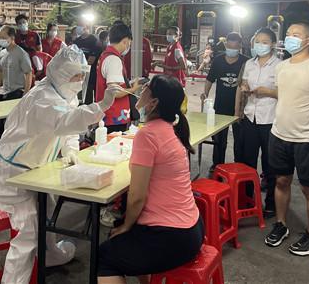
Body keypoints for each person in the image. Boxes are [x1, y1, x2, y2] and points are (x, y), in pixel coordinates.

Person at [0, 45, 120, 284]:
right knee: (28, 232)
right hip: (11, 174)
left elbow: (68, 129)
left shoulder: (64, 93)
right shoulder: (42, 98)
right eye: (75, 76)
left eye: (82, 75)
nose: (79, 81)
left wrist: (71, 150)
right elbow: (65, 120)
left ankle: (50, 255)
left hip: (35, 170)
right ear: (61, 73)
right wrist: (101, 106)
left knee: (47, 213)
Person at [98, 74, 204, 284]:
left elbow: (137, 197)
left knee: (104, 257)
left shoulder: (148, 135)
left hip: (170, 236)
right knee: (126, 233)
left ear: (154, 102)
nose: (141, 92)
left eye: (146, 89)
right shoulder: (173, 129)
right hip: (192, 229)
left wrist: (126, 226)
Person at [265, 22, 309, 256]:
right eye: (288, 34)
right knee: (281, 181)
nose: (290, 38)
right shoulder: (281, 67)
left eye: (296, 35)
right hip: (278, 135)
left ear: (308, 41)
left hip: (305, 140)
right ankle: (281, 224)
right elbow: (284, 96)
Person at [234, 28, 281, 218]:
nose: (260, 45)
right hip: (250, 117)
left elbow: (285, 92)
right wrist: (244, 88)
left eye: (265, 42)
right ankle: (248, 200)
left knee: (270, 164)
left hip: (270, 119)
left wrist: (267, 92)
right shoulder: (249, 64)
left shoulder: (280, 66)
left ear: (273, 44)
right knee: (247, 162)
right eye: (257, 41)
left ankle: (271, 203)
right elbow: (243, 84)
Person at [201, 32, 248, 172]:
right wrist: (205, 93)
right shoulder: (218, 60)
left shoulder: (246, 62)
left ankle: (239, 165)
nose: (231, 49)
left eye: (235, 47)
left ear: (240, 46)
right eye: (229, 46)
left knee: (240, 140)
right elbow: (210, 79)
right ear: (226, 44)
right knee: (219, 139)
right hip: (220, 105)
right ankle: (217, 164)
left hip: (240, 107)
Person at [95, 23, 141, 132]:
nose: (128, 47)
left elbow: (112, 83)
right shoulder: (114, 60)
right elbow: (114, 92)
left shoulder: (105, 55)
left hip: (108, 113)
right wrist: (133, 89)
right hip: (114, 116)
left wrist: (128, 83)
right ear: (125, 40)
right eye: (129, 43)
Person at [0, 26, 32, 103]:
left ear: (12, 38)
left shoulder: (21, 53)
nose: (0, 39)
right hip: (4, 91)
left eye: (4, 37)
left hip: (17, 92)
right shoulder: (1, 53)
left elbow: (28, 74)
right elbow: (0, 73)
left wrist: (25, 94)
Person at [85, 30, 108, 105]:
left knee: (99, 99)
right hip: (93, 76)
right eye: (107, 40)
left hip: (101, 77)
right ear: (104, 39)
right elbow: (90, 62)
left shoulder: (105, 50)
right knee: (89, 99)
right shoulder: (96, 48)